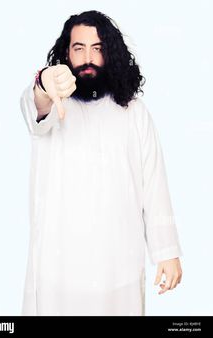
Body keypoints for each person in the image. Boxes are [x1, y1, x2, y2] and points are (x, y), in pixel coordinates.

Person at [20, 10, 182, 316]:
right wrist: (44, 83)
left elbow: (154, 184)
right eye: (78, 48)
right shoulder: (53, 105)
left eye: (97, 48)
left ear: (111, 53)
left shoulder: (133, 112)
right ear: (65, 53)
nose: (88, 58)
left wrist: (167, 251)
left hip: (118, 271)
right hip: (58, 273)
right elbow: (36, 108)